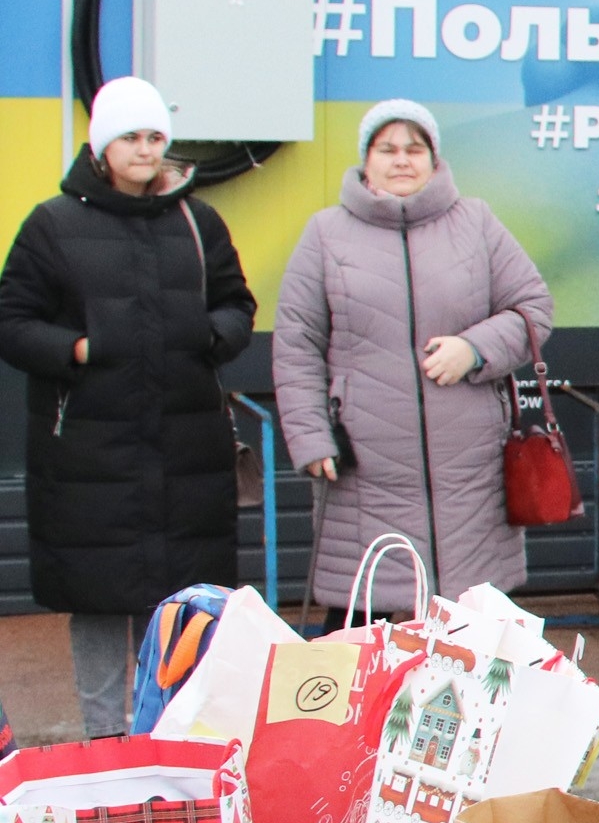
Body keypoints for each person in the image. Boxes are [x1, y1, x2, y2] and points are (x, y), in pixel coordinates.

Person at [0, 77, 253, 735]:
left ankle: (176, 743)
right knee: (100, 604)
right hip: (89, 452)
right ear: (101, 146)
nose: (146, 150)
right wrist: (80, 350)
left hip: (186, 450)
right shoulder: (54, 224)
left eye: (155, 137)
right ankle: (106, 746)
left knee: (184, 611)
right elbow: (12, 321)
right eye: (131, 137)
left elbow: (236, 302)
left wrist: (215, 334)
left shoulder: (198, 222)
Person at [270, 101, 555, 623]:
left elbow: (533, 309)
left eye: (414, 149)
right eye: (388, 149)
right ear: (366, 160)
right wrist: (310, 437)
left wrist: (474, 349)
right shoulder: (325, 233)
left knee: (473, 641)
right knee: (363, 641)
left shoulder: (476, 222)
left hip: (469, 468)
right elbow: (297, 342)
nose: (402, 161)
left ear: (433, 157)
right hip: (364, 468)